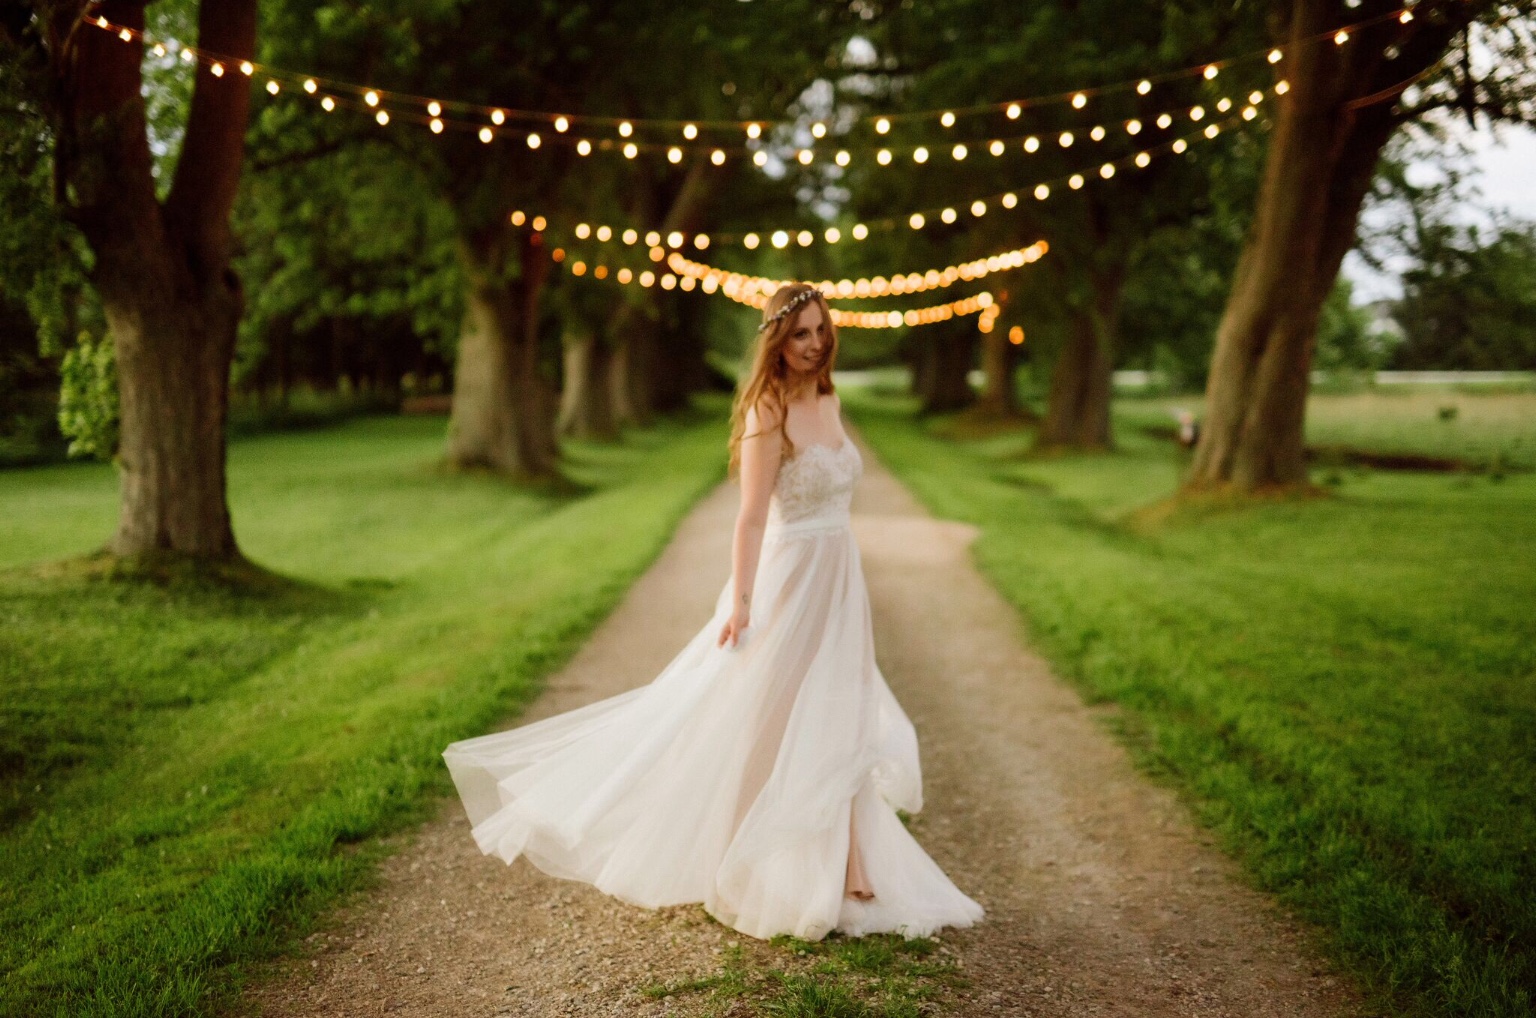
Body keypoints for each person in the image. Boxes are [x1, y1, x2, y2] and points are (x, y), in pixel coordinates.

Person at [442, 282, 984, 942]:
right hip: (789, 579)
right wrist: (744, 600)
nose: (814, 344)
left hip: (840, 577)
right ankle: (742, 859)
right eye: (800, 334)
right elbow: (752, 518)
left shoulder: (831, 398)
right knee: (768, 715)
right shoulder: (766, 409)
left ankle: (850, 866)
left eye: (820, 330)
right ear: (777, 342)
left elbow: (837, 496)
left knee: (839, 713)